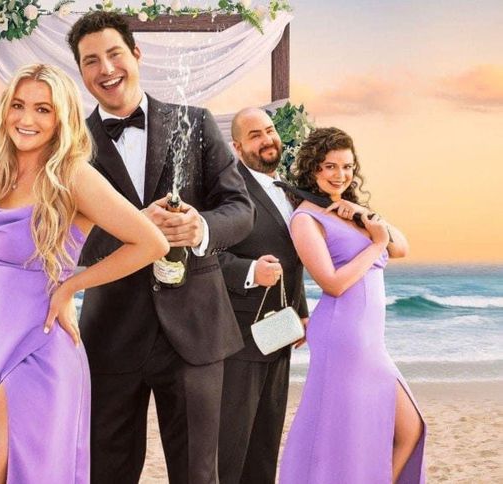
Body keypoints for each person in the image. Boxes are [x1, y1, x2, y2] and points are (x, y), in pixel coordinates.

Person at [0, 63, 169, 483]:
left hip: (41, 353)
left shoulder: (73, 175)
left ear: (61, 117)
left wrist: (72, 286)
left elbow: (151, 243)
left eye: (43, 109)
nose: (26, 119)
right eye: (18, 105)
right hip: (0, 351)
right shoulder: (2, 177)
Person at [66, 12, 255, 483]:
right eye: (91, 61)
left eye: (114, 54)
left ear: (136, 54)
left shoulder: (196, 122)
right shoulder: (69, 148)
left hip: (195, 331)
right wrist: (135, 230)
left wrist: (200, 227)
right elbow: (67, 241)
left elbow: (240, 209)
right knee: (105, 473)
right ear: (81, 71)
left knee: (197, 475)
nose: (106, 68)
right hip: (110, 334)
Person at [279, 127, 425, 483]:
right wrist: (376, 245)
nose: (340, 175)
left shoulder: (348, 212)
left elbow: (401, 246)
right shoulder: (305, 219)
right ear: (313, 168)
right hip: (342, 337)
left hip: (370, 341)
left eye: (346, 166)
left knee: (410, 429)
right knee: (346, 437)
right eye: (330, 166)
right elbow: (332, 283)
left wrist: (360, 213)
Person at [217, 107, 309, 484]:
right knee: (229, 449)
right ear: (238, 147)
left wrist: (301, 309)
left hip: (280, 335)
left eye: (270, 130)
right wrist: (250, 271)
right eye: (255, 135)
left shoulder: (289, 189)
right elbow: (200, 254)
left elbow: (293, 257)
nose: (267, 139)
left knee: (264, 446)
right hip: (239, 339)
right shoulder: (227, 191)